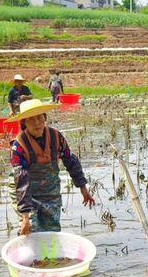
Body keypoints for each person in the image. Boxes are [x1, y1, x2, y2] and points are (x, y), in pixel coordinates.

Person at [8, 99, 96, 234]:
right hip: (25, 191)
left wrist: (83, 188)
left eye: (39, 117)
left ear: (45, 118)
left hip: (50, 190)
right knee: (30, 228)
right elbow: (21, 180)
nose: (36, 123)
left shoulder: (56, 137)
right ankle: (29, 253)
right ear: (24, 123)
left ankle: (51, 255)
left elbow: (70, 161)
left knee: (51, 229)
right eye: (31, 119)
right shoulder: (19, 146)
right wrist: (25, 216)